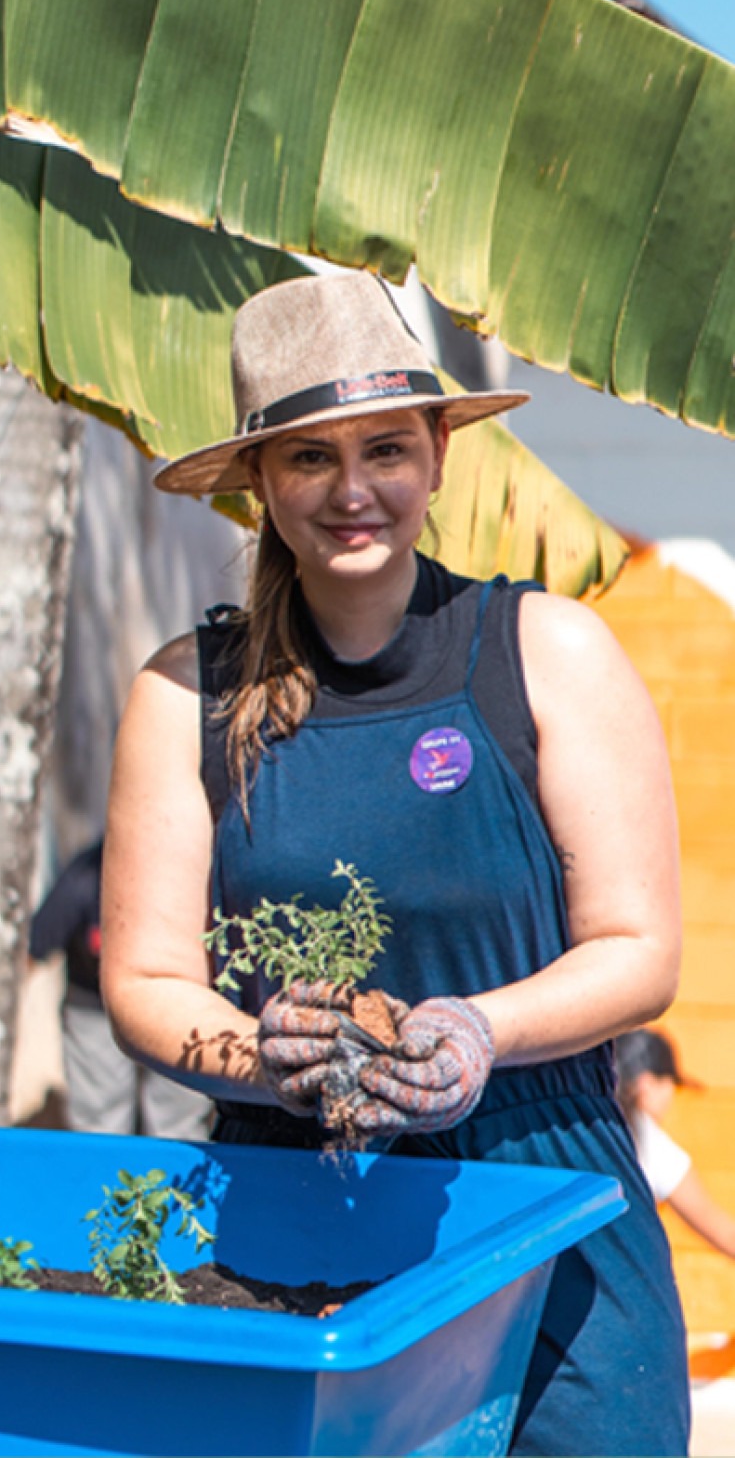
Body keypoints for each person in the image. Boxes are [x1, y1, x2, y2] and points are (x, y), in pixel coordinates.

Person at [100, 270, 688, 1455]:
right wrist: (260, 1060)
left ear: (436, 454)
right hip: (289, 1212)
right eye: (310, 459)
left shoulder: (546, 652)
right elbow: (145, 978)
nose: (353, 491)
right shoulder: (184, 694)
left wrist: (478, 1030)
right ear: (259, 481)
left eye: (385, 448)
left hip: (546, 1198)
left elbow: (639, 948)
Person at [28, 838, 209, 1138]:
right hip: (95, 1007)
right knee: (98, 1119)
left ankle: (175, 1178)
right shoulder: (86, 876)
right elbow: (36, 948)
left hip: (179, 1004)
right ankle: (101, 1180)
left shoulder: (196, 874)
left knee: (178, 1123)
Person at [618, 1027, 735, 1257]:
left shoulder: (591, 1123)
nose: (672, 1098)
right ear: (647, 1085)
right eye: (672, 1085)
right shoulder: (650, 1143)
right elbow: (723, 1233)